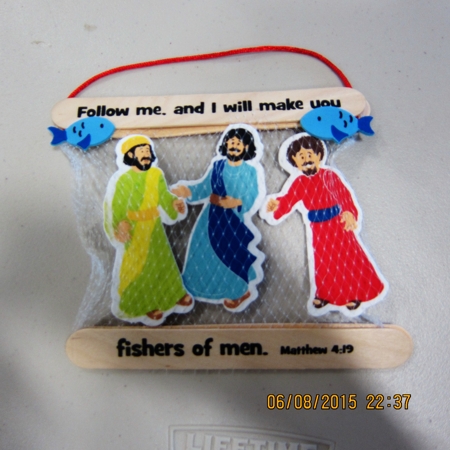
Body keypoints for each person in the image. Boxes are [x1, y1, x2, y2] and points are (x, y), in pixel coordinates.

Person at [261, 133, 387, 316]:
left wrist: (350, 214)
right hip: (318, 228)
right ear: (295, 162)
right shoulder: (298, 182)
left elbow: (344, 196)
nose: (306, 159)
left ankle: (356, 294)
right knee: (323, 260)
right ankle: (326, 295)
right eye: (301, 157)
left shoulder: (330, 175)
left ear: (319, 155)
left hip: (338, 224)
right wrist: (275, 206)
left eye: (309, 154)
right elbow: (288, 200)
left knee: (346, 258)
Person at [172, 124, 265, 312]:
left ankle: (239, 292)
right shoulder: (218, 166)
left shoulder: (250, 171)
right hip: (210, 219)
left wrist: (237, 201)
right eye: (231, 142)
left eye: (238, 143)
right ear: (225, 144)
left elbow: (252, 194)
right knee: (201, 252)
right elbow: (204, 188)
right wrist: (187, 192)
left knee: (231, 255)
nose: (234, 146)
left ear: (246, 147)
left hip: (233, 221)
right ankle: (195, 290)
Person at [104, 135, 193, 326]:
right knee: (140, 266)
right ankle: (146, 303)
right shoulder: (124, 179)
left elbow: (164, 196)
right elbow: (116, 205)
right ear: (130, 155)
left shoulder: (156, 174)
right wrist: (119, 224)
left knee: (163, 261)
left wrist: (174, 204)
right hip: (135, 229)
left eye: (147, 151)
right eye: (141, 151)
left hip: (154, 226)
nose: (146, 155)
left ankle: (174, 294)